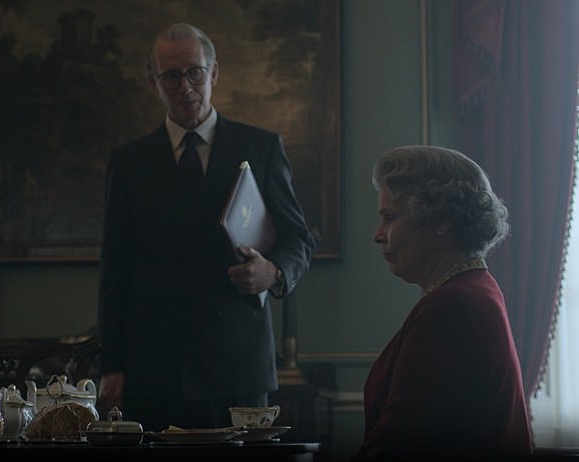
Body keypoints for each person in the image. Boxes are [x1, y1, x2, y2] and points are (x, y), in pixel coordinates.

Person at [96, 23, 315, 431]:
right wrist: (112, 366)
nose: (185, 86)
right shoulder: (130, 162)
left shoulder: (261, 148)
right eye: (171, 76)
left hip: (237, 363)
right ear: (153, 83)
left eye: (194, 72)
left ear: (213, 73)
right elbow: (116, 269)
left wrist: (275, 272)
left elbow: (299, 237)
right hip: (155, 367)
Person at [352, 145, 533, 460]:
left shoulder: (453, 305)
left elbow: (398, 442)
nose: (378, 234)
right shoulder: (473, 289)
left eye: (390, 217)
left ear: (442, 219)